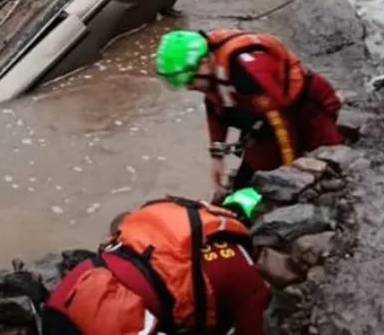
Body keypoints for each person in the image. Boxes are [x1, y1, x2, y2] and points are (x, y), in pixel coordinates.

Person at [41, 189, 278, 335]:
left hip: (72, 289)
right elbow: (252, 328)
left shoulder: (175, 220)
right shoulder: (249, 281)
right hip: (110, 317)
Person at [154, 29, 343, 199]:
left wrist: (287, 174)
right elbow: (215, 110)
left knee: (332, 167)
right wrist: (217, 158)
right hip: (265, 120)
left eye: (186, 79)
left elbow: (281, 124)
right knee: (244, 186)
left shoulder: (246, 71)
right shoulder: (211, 74)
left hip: (308, 109)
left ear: (204, 63)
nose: (187, 87)